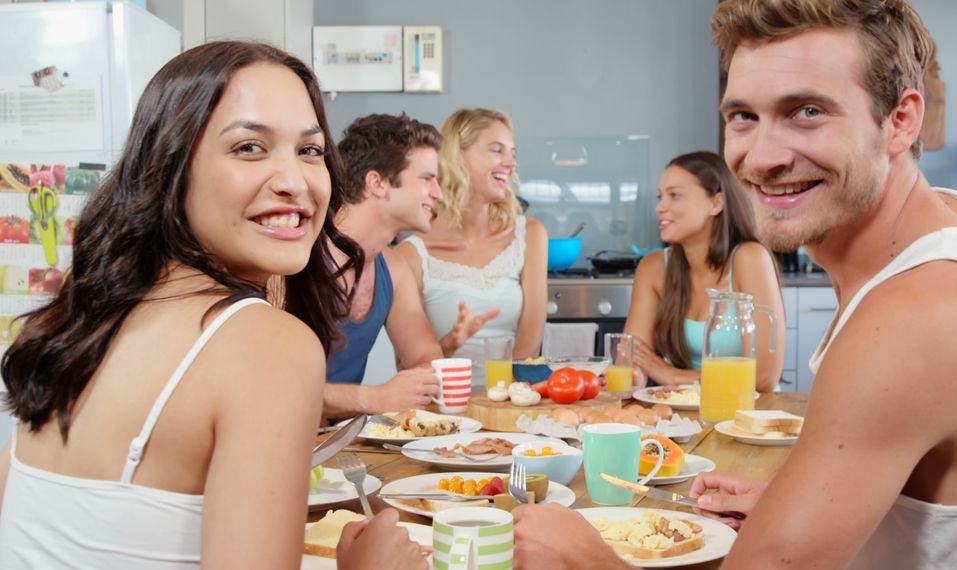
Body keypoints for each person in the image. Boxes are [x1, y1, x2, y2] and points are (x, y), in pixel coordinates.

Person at [513, 0, 957, 568]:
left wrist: (585, 558)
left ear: (901, 120)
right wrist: (797, 507)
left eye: (807, 111)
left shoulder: (918, 313)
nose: (760, 157)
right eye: (743, 117)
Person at [0, 42, 426, 569]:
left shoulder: (66, 322)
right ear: (171, 168)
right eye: (249, 148)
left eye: (310, 151)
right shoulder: (267, 347)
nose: (295, 182)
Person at [322, 113, 499, 418]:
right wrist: (375, 398)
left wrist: (444, 354)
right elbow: (274, 387)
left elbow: (425, 363)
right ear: (377, 183)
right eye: (427, 179)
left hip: (341, 442)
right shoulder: (299, 264)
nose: (438, 194)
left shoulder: (393, 269)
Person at [397, 108, 548, 386]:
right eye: (496, 150)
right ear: (457, 156)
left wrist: (498, 406)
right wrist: (452, 342)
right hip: (443, 411)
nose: (510, 163)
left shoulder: (530, 235)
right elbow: (413, 366)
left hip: (510, 403)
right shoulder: (410, 256)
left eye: (513, 153)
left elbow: (528, 349)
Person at [624, 151, 785, 391]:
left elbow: (764, 378)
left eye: (674, 195)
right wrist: (633, 375)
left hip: (749, 415)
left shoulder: (750, 258)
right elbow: (632, 356)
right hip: (684, 414)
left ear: (716, 203)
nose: (660, 207)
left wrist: (673, 375)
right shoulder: (653, 268)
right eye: (660, 196)